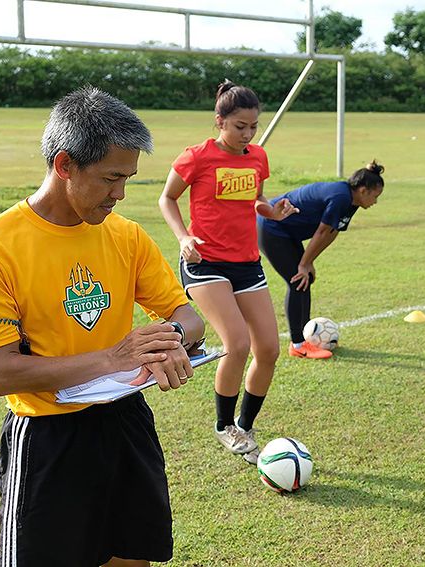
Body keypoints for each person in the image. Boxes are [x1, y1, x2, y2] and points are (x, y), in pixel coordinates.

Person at [0, 86, 205, 566]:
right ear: (65, 164)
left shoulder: (126, 235)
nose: (121, 194)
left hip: (126, 423)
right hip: (49, 436)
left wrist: (168, 341)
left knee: (132, 557)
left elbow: (188, 317)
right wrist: (114, 358)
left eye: (128, 178)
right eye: (111, 178)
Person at [158, 80, 298, 465]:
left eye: (253, 126)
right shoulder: (196, 157)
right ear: (219, 121)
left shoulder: (257, 157)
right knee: (238, 344)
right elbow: (167, 198)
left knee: (268, 349)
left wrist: (272, 210)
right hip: (206, 264)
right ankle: (224, 427)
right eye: (240, 126)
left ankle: (246, 425)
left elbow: (256, 200)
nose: (248, 134)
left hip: (246, 263)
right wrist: (184, 236)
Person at [257, 162, 385, 359]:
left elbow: (333, 232)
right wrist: (303, 264)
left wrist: (309, 263)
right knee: (298, 281)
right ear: (363, 190)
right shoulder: (340, 197)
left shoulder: (352, 201)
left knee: (304, 279)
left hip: (287, 233)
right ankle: (298, 344)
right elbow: (322, 231)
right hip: (271, 228)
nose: (375, 202)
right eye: (375, 196)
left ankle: (308, 337)